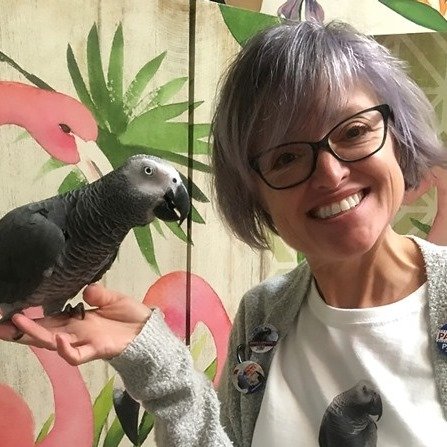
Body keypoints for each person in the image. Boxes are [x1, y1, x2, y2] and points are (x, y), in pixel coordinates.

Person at [1, 19, 447, 446]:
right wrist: (159, 363)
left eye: (353, 131)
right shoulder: (263, 316)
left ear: (399, 137)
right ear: (254, 197)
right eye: (286, 158)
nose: (330, 174)